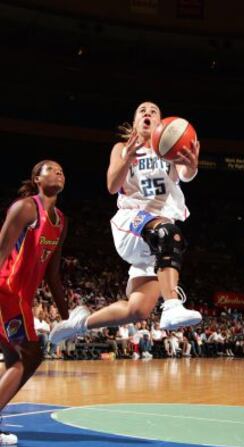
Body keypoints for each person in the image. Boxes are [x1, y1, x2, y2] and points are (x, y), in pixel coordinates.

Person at [50, 101, 202, 345]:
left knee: (138, 310)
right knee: (168, 234)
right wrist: (126, 158)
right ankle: (173, 304)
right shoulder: (122, 148)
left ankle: (79, 323)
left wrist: (192, 165)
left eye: (153, 111)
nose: (148, 113)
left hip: (155, 235)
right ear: (134, 123)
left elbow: (186, 175)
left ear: (161, 124)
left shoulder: (168, 150)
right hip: (133, 221)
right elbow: (111, 186)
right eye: (142, 111)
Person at [0, 160, 68, 447]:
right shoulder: (26, 208)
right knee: (30, 354)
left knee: (18, 358)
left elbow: (53, 275)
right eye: (51, 169)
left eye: (62, 170)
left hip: (21, 299)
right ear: (36, 178)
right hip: (5, 291)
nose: (58, 172)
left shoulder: (61, 221)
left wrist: (68, 316)